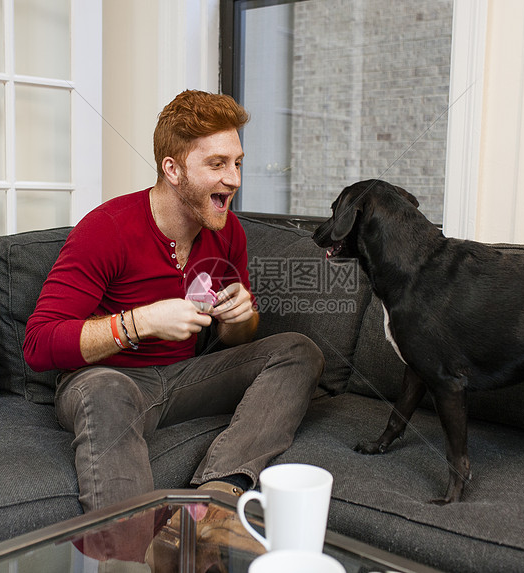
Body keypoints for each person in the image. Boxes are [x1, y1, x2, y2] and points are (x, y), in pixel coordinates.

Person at [23, 90, 324, 518]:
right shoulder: (106, 229)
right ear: (173, 169)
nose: (234, 178)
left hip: (183, 379)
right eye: (217, 164)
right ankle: (127, 554)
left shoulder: (227, 230)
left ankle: (218, 499)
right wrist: (140, 322)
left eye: (237, 163)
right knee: (104, 389)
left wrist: (241, 316)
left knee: (297, 351)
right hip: (108, 380)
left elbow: (237, 338)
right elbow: (38, 344)